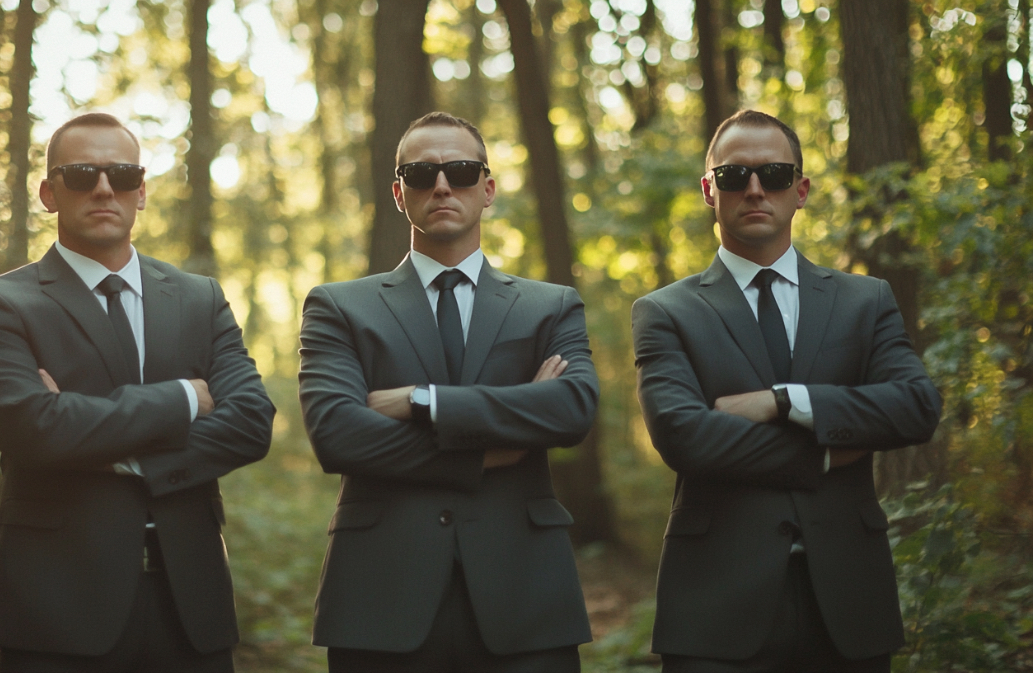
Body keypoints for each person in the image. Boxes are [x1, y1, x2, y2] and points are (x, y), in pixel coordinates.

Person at [0, 112, 274, 672]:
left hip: (190, 609)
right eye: (82, 174)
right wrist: (183, 399)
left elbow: (251, 422)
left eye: (122, 174)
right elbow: (32, 428)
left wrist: (110, 451)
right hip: (56, 609)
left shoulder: (199, 299)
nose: (104, 188)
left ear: (142, 191)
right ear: (49, 193)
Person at [631, 109, 942, 672]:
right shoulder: (665, 312)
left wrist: (784, 401)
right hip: (715, 607)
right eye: (733, 176)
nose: (754, 189)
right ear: (709, 190)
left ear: (799, 190)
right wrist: (828, 450)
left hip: (849, 602)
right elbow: (685, 438)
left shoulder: (865, 300)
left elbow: (916, 406)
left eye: (773, 175)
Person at [298, 112, 597, 672]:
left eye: (460, 171)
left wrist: (421, 401)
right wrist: (492, 448)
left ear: (487, 190)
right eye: (420, 173)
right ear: (398, 193)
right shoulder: (339, 306)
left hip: (527, 596)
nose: (440, 185)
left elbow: (572, 410)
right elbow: (338, 435)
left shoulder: (550, 306)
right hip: (380, 600)